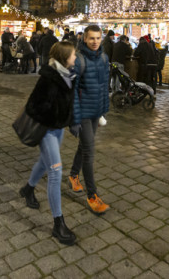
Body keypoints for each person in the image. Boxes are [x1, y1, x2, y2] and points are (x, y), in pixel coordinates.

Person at [19, 41, 78, 246]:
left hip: (58, 129)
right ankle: (58, 224)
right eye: (73, 55)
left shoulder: (68, 75)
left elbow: (68, 103)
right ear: (64, 58)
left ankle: (27, 189)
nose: (76, 58)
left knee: (44, 163)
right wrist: (51, 117)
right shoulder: (49, 78)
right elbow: (33, 106)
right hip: (47, 131)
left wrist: (71, 122)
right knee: (55, 172)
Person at [67, 24, 111, 215]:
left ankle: (73, 175)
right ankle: (92, 195)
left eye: (98, 38)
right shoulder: (78, 60)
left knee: (84, 146)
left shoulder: (104, 58)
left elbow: (104, 86)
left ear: (101, 38)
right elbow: (72, 91)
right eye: (91, 38)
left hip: (95, 111)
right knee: (90, 152)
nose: (94, 42)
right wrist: (74, 118)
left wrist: (104, 109)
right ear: (84, 38)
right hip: (83, 112)